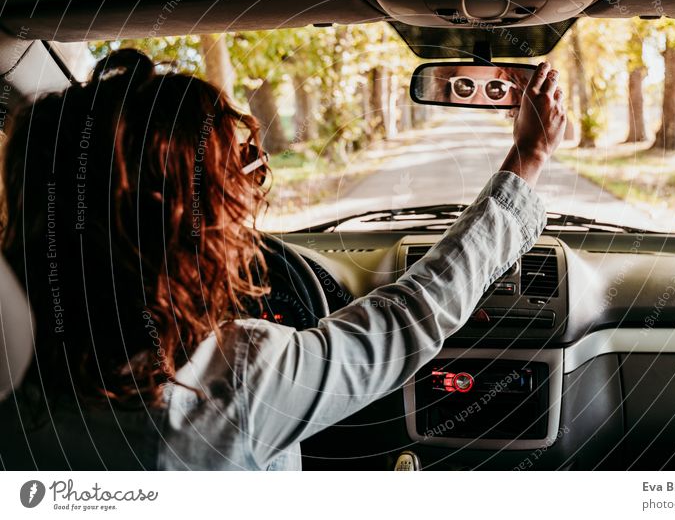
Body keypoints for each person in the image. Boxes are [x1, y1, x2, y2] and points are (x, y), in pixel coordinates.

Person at [0, 49, 565, 470]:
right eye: (240, 185)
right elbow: (408, 317)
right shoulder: (231, 382)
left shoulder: (14, 386)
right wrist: (529, 157)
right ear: (184, 234)